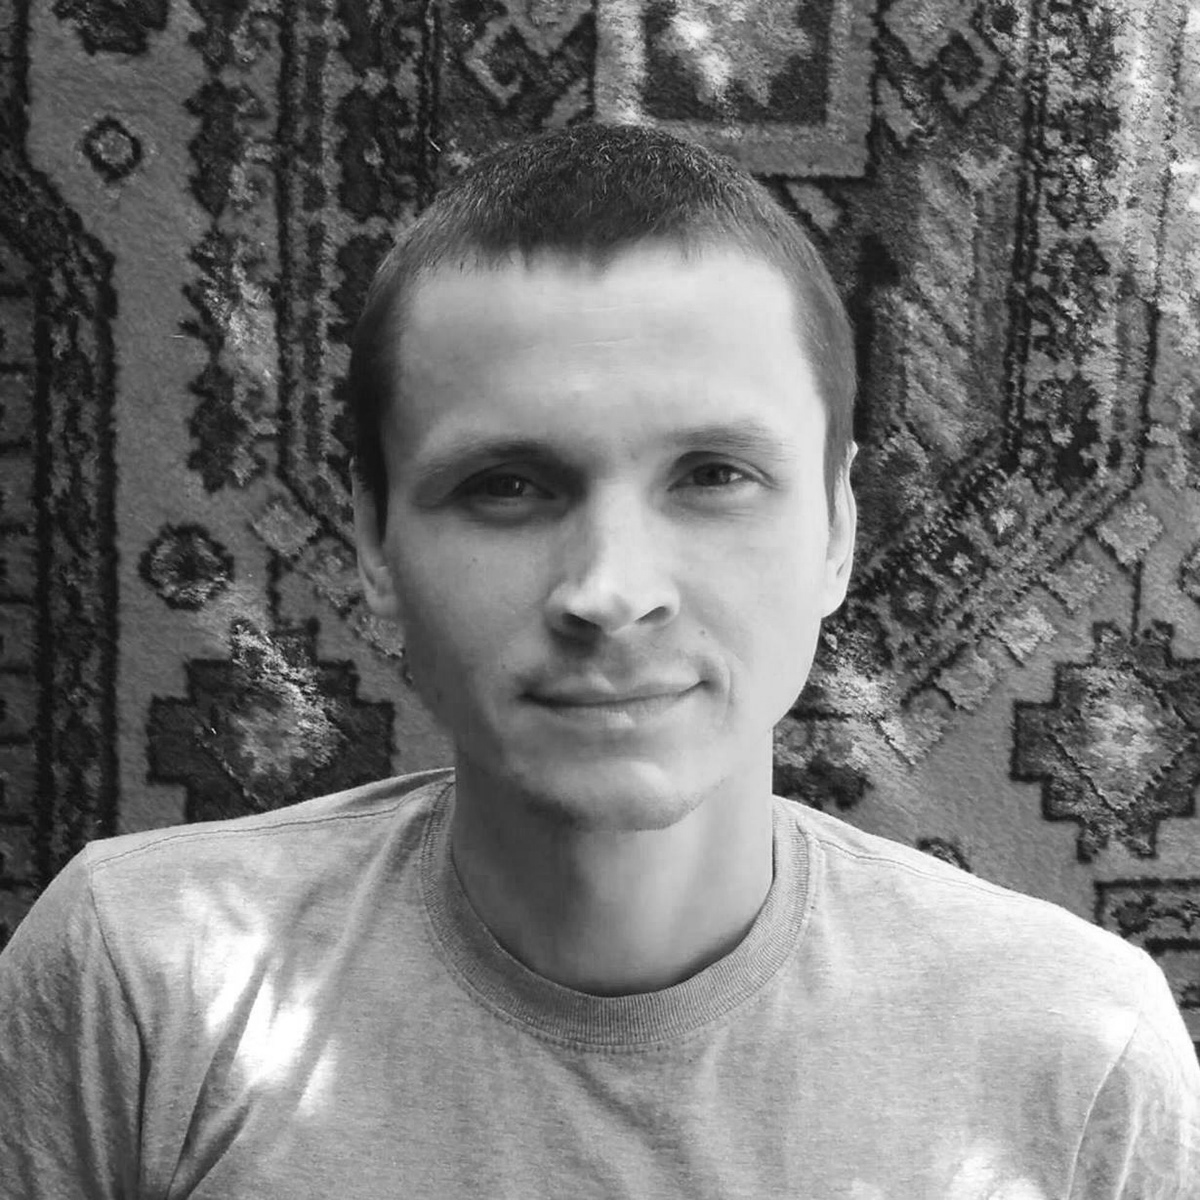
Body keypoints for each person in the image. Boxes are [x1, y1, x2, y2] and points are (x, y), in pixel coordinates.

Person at [1, 122, 1196, 1198]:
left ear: (838, 529)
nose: (611, 590)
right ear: (373, 544)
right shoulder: (136, 981)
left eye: (714, 476)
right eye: (506, 486)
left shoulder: (1077, 1060)